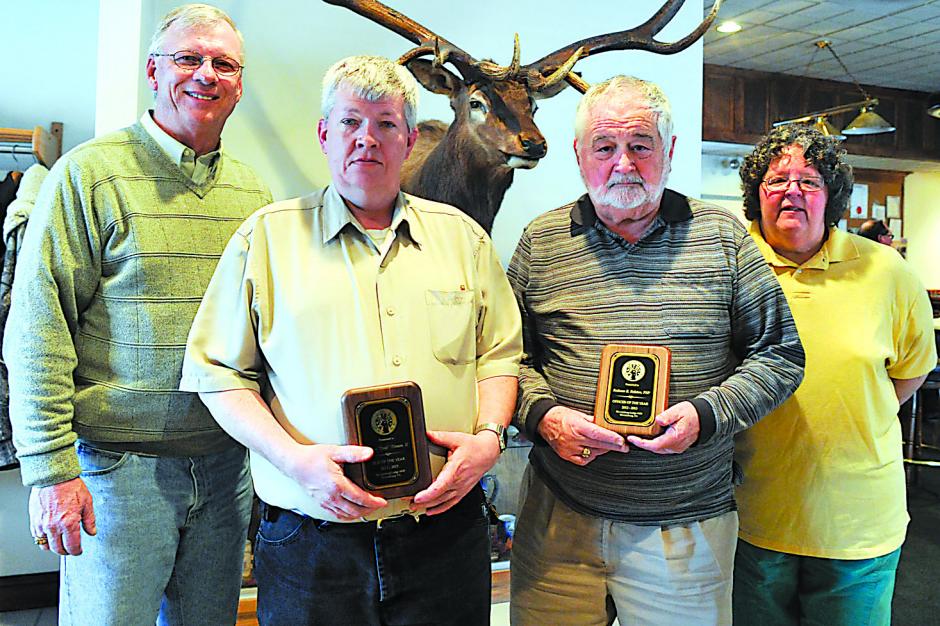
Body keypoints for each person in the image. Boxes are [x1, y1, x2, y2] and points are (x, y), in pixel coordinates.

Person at [180, 55, 522, 626]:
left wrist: (489, 438)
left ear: (410, 139)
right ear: (324, 134)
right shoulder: (265, 239)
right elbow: (217, 374)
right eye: (350, 122)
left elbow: (499, 355)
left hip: (444, 535)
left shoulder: (464, 239)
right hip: (312, 543)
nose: (368, 138)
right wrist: (294, 460)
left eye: (386, 123)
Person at [4, 5, 271, 624]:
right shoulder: (88, 175)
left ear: (238, 86)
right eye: (188, 58)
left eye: (224, 64)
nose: (206, 74)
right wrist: (50, 471)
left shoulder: (252, 193)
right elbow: (39, 328)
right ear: (154, 71)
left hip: (226, 471)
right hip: (116, 473)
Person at [507, 75, 805, 626]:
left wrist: (706, 415)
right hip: (558, 521)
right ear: (579, 155)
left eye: (640, 146)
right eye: (605, 147)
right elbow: (505, 359)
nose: (623, 164)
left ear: (669, 151)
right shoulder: (540, 242)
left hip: (686, 528)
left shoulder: (724, 238)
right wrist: (544, 417)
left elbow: (780, 354)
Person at [733, 125, 937, 625]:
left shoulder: (887, 271)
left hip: (858, 523)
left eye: (810, 180)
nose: (793, 191)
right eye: (777, 180)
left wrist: (853, 409)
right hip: (750, 518)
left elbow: (911, 371)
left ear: (832, 195)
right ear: (756, 193)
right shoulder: (732, 266)